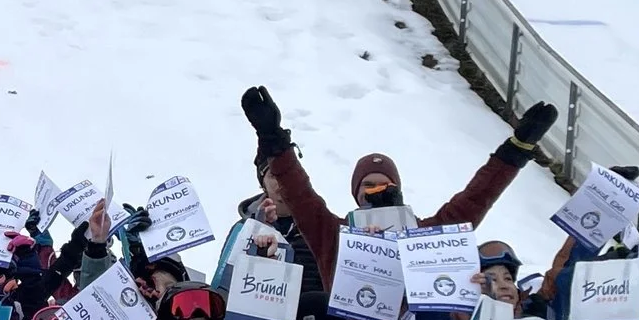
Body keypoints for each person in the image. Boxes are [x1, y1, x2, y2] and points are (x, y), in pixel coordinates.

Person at [238, 84, 557, 267]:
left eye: (385, 185)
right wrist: (274, 140)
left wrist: (514, 152)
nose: (377, 189)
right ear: (355, 195)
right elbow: (302, 197)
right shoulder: (336, 237)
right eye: (368, 185)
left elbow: (475, 200)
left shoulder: (426, 237)